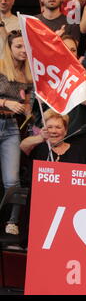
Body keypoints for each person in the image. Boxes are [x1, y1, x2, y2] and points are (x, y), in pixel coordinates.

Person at [0, 30, 32, 235]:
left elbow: (26, 102)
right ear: (9, 47)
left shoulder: (28, 74)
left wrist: (28, 108)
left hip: (12, 128)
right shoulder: (1, 67)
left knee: (12, 180)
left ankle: (12, 223)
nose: (22, 50)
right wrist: (6, 102)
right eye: (18, 46)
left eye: (25, 46)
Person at [20, 109, 86, 164]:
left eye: (58, 127)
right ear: (43, 129)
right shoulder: (36, 147)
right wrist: (41, 137)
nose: (54, 131)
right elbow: (23, 146)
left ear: (65, 130)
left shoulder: (76, 151)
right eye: (49, 127)